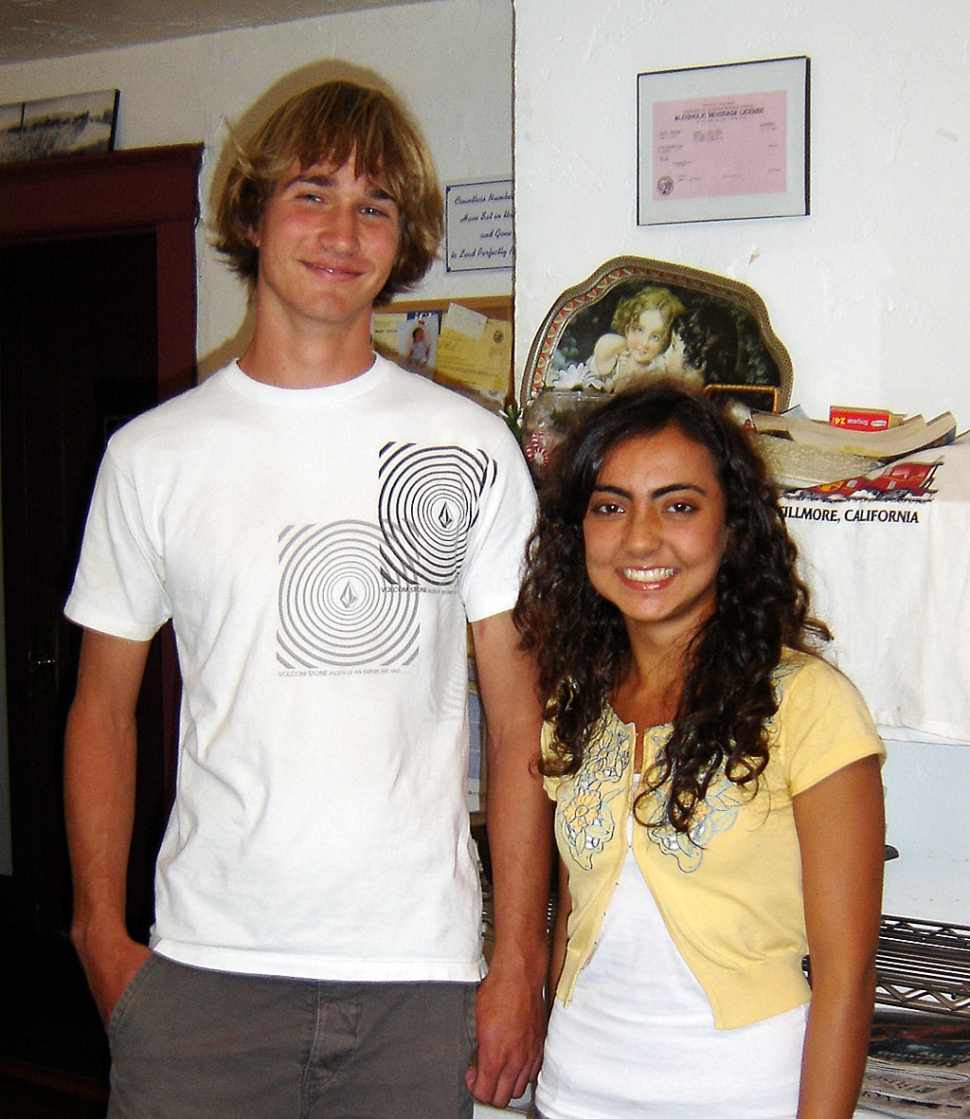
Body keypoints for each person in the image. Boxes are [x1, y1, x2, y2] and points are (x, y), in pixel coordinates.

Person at [63, 78, 551, 1118]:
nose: (344, 231)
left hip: (416, 986)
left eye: (376, 205)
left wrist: (519, 958)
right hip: (199, 979)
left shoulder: (467, 447)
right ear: (251, 214)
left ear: (402, 237)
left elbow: (518, 723)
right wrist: (100, 936)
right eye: (312, 193)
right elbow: (101, 709)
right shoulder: (152, 458)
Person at [514, 384, 886, 1119]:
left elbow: (849, 978)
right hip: (575, 1093)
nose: (641, 538)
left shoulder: (807, 705)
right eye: (610, 505)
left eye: (678, 505)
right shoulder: (574, 704)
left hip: (746, 1096)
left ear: (732, 527)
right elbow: (576, 915)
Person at [587, 286, 685, 393]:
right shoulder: (618, 360)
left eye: (655, 337)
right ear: (627, 328)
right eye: (639, 330)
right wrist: (625, 346)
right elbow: (605, 344)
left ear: (665, 341)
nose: (644, 343)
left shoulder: (659, 370)